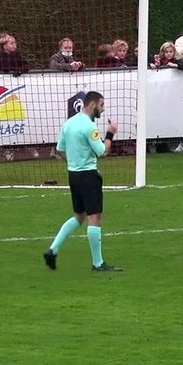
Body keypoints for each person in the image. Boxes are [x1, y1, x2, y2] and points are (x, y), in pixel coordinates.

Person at [44, 91, 121, 272]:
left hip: (74, 175)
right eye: (101, 105)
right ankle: (98, 263)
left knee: (79, 216)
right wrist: (110, 134)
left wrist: (73, 163)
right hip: (88, 177)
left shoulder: (69, 123)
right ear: (92, 105)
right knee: (94, 217)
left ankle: (52, 250)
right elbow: (103, 151)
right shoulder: (89, 126)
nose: (102, 110)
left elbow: (60, 149)